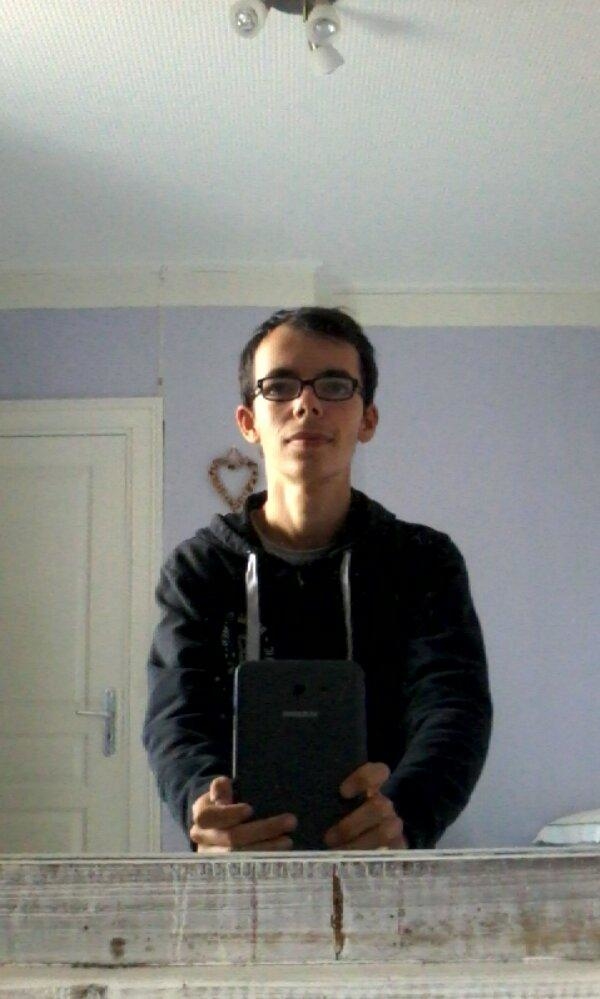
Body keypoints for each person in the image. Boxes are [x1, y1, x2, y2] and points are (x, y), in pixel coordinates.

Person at [143, 306, 493, 852]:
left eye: (333, 385)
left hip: (384, 857)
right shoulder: (198, 570)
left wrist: (405, 816)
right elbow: (177, 718)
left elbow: (453, 708)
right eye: (280, 386)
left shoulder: (424, 561)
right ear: (249, 422)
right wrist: (202, 806)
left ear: (367, 419)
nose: (306, 403)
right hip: (245, 863)